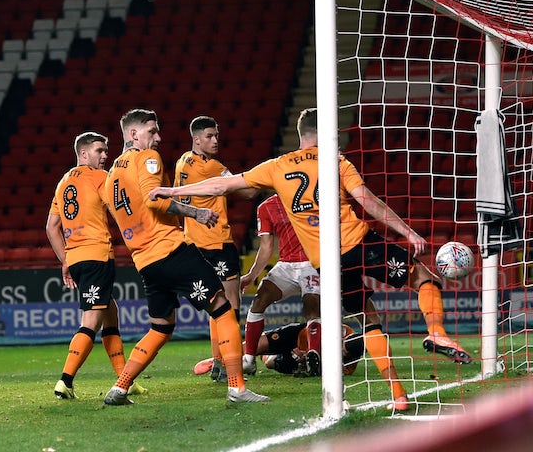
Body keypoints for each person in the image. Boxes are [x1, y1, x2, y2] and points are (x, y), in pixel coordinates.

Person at [150, 107, 471, 410]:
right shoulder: (336, 161)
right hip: (357, 241)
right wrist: (406, 232)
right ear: (326, 132)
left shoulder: (278, 166)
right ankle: (437, 331)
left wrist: (171, 192)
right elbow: (367, 201)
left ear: (300, 133)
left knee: (368, 318)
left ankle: (398, 396)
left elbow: (223, 185)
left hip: (325, 262)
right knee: (422, 277)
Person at [102, 108, 269, 405]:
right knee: (222, 307)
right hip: (170, 250)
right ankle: (237, 387)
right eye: (152, 131)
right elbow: (156, 199)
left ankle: (119, 387)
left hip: (145, 262)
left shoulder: (112, 173)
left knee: (161, 326)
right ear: (133, 134)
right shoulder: (146, 159)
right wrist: (196, 211)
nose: (158, 137)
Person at [46, 131, 145, 399]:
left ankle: (125, 378)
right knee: (91, 320)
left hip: (78, 259)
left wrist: (65, 260)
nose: (105, 155)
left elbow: (51, 227)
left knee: (110, 310)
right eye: (100, 151)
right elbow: (119, 210)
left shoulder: (64, 182)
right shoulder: (101, 178)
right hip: (97, 256)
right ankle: (65, 381)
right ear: (83, 153)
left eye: (106, 150)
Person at [174, 115, 256, 382]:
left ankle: (219, 362)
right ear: (196, 139)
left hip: (195, 244)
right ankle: (228, 362)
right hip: (217, 242)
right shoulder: (213, 168)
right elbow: (247, 193)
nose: (215, 140)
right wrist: (268, 178)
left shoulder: (182, 162)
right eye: (209, 136)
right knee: (231, 304)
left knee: (215, 304)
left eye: (216, 135)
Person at [239, 194, 322, 376]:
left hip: (313, 263)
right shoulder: (266, 207)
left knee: (312, 305)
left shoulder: (314, 197)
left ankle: (313, 355)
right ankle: (249, 360)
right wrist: (252, 275)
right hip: (286, 265)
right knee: (258, 301)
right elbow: (267, 247)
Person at [194, 322, 364, 378]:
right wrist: (304, 349)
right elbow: (311, 329)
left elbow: (334, 374)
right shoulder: (339, 330)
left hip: (301, 359)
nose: (339, 350)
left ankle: (255, 362)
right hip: (297, 335)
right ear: (344, 339)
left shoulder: (351, 362)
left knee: (270, 363)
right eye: (341, 345)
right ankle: (218, 359)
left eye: (343, 353)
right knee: (255, 346)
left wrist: (304, 359)